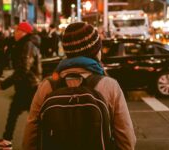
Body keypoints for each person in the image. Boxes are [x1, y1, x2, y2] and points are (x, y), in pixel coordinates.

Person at [22, 22, 136, 150]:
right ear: (94, 52)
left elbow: (29, 138)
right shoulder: (109, 86)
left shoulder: (47, 86)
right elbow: (127, 140)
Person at [0, 22, 42, 150]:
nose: (15, 33)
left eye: (18, 31)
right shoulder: (24, 44)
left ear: (24, 32)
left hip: (28, 86)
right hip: (27, 85)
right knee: (25, 115)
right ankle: (7, 140)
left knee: (33, 117)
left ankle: (8, 140)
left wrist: (5, 84)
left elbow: (23, 68)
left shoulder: (27, 45)